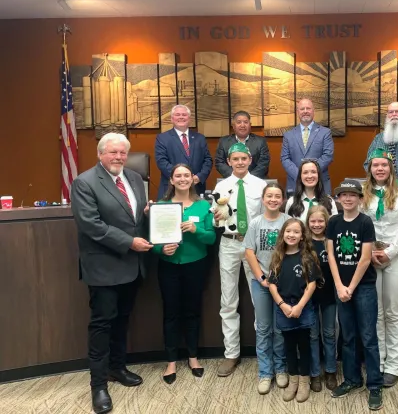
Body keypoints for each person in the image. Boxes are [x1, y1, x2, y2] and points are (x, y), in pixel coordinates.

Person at [70, 133, 152, 414]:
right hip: (104, 266)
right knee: (102, 325)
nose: (118, 157)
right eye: (113, 152)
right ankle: (98, 385)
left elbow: (136, 218)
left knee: (123, 320)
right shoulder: (85, 182)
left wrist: (152, 213)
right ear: (100, 154)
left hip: (133, 266)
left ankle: (117, 368)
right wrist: (129, 241)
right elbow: (90, 225)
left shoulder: (134, 179)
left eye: (122, 153)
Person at [151, 164, 216, 384]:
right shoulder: (160, 206)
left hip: (195, 264)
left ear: (193, 179)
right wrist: (162, 248)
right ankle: (171, 361)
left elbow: (211, 239)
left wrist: (196, 230)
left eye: (186, 175)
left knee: (192, 312)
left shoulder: (203, 205)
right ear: (171, 180)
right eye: (178, 175)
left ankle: (193, 357)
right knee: (170, 313)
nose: (182, 179)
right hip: (169, 264)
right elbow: (154, 240)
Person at [361, 149, 398, 388]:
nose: (380, 169)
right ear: (370, 168)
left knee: (393, 311)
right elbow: (362, 223)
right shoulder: (364, 190)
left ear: (391, 167)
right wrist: (370, 252)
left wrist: (389, 252)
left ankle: (394, 365)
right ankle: (379, 361)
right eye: (376, 165)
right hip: (371, 256)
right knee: (376, 312)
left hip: (397, 256)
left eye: (384, 165)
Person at [327, 179, 383, 411]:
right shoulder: (334, 222)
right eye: (343, 195)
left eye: (353, 195)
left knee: (368, 337)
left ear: (360, 199)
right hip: (341, 288)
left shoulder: (365, 222)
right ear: (338, 199)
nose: (348, 198)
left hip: (364, 288)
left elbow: (365, 258)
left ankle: (374, 385)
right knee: (348, 337)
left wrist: (350, 287)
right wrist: (340, 286)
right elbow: (331, 255)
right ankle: (351, 379)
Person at [212, 142, 267, 377]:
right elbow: (215, 221)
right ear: (229, 162)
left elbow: (268, 216)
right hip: (229, 243)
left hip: (254, 247)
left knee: (260, 300)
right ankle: (231, 353)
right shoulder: (221, 186)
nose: (240, 162)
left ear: (250, 160)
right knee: (228, 301)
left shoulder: (262, 185)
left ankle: (263, 352)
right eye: (235, 159)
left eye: (244, 158)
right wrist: (216, 216)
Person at [243, 183, 290, 394]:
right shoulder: (255, 223)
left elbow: (295, 250)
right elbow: (250, 252)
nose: (273, 199)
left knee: (280, 328)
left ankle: (280, 369)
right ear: (263, 199)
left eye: (277, 196)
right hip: (261, 283)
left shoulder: (288, 221)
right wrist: (261, 277)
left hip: (283, 283)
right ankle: (265, 372)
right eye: (269, 196)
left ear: (282, 200)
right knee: (263, 328)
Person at [267, 219, 321, 403]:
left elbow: (312, 284)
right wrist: (283, 305)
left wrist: (299, 306)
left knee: (304, 345)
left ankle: (304, 382)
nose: (291, 235)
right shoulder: (278, 257)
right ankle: (293, 380)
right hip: (284, 308)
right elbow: (272, 285)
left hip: (303, 308)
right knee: (288, 346)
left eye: (296, 232)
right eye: (288, 231)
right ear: (283, 234)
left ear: (302, 236)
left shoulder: (307, 257)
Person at [306, 205, 338, 392]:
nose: (317, 224)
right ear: (308, 222)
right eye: (313, 221)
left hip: (329, 295)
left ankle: (331, 370)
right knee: (312, 334)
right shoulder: (304, 243)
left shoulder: (331, 241)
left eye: (320, 221)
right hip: (309, 296)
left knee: (329, 333)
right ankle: (315, 372)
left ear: (326, 222)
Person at [155, 104, 213, 198]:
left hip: (196, 188)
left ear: (189, 119)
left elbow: (208, 160)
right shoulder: (162, 138)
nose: (181, 117)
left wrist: (199, 177)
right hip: (171, 190)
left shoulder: (200, 138)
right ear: (172, 119)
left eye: (184, 115)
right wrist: (181, 177)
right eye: (177, 115)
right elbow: (162, 162)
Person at [281, 98, 334, 195]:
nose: (305, 111)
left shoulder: (325, 133)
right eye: (302, 109)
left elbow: (328, 156)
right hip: (295, 183)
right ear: (298, 112)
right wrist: (300, 174)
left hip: (320, 185)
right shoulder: (288, 135)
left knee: (321, 210)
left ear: (313, 111)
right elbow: (285, 158)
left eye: (308, 108)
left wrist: (311, 173)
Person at [215, 110, 271, 179]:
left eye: (245, 122)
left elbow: (264, 163)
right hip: (231, 181)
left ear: (250, 125)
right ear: (233, 126)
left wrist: (248, 178)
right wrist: (235, 176)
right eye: (239, 122)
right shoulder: (224, 142)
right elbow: (219, 162)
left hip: (255, 181)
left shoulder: (261, 141)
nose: (242, 125)